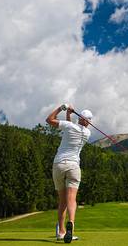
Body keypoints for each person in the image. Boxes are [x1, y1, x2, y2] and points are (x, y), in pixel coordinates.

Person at [46, 104, 93, 243]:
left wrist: (63, 108)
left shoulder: (69, 126)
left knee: (62, 201)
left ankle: (61, 231)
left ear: (79, 118)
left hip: (59, 164)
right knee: (71, 199)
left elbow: (49, 120)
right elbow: (72, 127)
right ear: (88, 121)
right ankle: (71, 223)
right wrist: (70, 116)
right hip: (74, 167)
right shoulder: (87, 134)